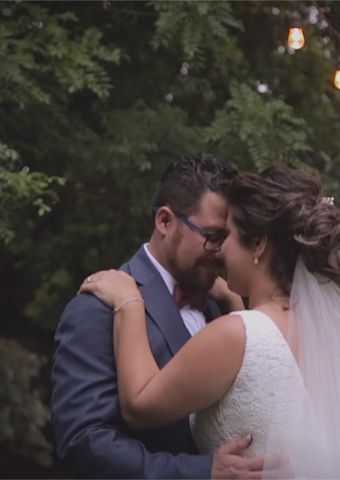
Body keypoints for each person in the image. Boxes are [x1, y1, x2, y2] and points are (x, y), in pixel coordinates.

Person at [79, 166, 340, 479]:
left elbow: (138, 406)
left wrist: (129, 302)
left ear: (258, 244)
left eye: (225, 235)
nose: (219, 251)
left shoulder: (236, 334)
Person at [51, 153, 264, 479]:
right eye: (212, 236)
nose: (221, 252)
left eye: (228, 238)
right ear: (164, 221)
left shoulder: (222, 305)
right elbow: (85, 445)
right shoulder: (97, 310)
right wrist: (202, 471)